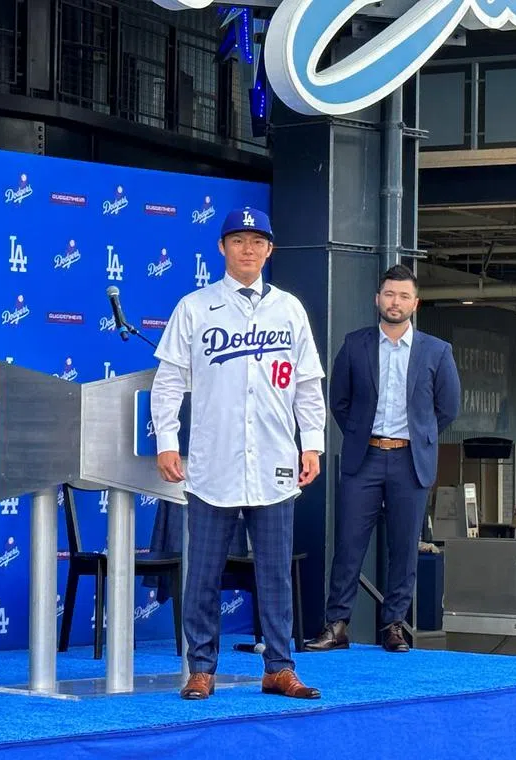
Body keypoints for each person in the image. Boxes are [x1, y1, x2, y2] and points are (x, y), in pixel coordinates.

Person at [152, 207, 326, 701]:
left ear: (270, 250)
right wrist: (168, 440)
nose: (248, 249)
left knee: (274, 573)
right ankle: (202, 667)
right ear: (222, 248)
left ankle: (278, 667)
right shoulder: (194, 306)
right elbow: (168, 385)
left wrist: (310, 442)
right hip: (213, 460)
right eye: (238, 240)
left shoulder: (290, 309)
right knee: (203, 572)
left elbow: (308, 386)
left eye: (257, 241)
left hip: (274, 459)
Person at [305, 264, 460, 654]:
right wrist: (360, 433)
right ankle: (337, 624)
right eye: (390, 294)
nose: (396, 302)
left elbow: (448, 408)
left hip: (410, 461)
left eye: (404, 296)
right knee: (348, 544)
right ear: (378, 298)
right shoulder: (355, 344)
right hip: (364, 459)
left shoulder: (437, 351)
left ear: (415, 303)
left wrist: (420, 438)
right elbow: (338, 401)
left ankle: (393, 625)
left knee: (404, 547)